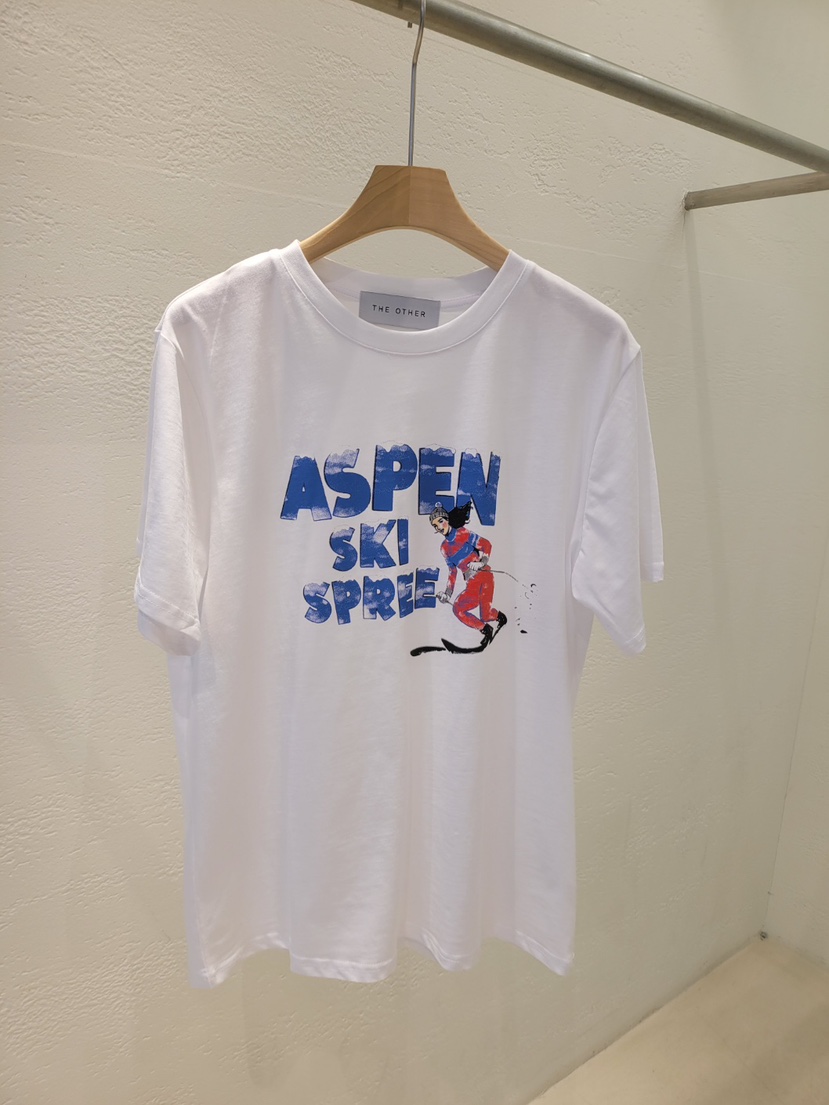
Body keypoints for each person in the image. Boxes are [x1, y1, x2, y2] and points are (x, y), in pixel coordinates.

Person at [429, 502, 507, 643]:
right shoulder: (444, 548)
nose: (439, 527)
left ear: (447, 519)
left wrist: (481, 563)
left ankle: (501, 618)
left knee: (486, 615)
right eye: (435, 526)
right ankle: (486, 629)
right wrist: (447, 594)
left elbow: (486, 544)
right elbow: (452, 572)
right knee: (458, 609)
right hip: (472, 584)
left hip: (485, 577)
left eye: (440, 521)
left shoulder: (462, 533)